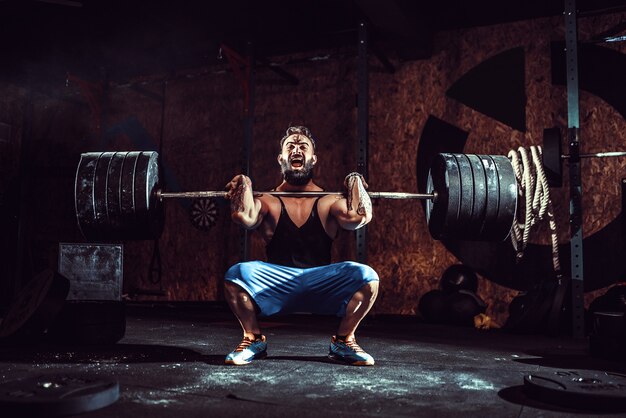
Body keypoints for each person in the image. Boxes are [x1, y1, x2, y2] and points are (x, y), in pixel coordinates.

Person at [223, 125, 380, 366]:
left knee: (367, 277)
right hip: (277, 283)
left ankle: (344, 340)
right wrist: (245, 183)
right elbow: (243, 217)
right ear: (281, 158)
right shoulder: (268, 200)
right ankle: (253, 338)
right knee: (236, 275)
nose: (297, 149)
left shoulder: (329, 201)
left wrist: (354, 181)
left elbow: (360, 217)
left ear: (313, 159)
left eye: (303, 146)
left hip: (322, 282)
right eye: (290, 147)